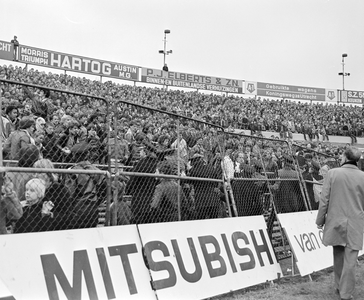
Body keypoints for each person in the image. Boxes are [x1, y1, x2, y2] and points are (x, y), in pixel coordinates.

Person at [316, 146, 364, 300]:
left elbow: (324, 200)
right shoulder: (363, 176)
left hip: (336, 221)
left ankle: (339, 287)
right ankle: (345, 292)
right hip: (355, 222)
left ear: (344, 157)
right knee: (350, 259)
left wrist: (320, 220)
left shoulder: (332, 173)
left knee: (338, 255)